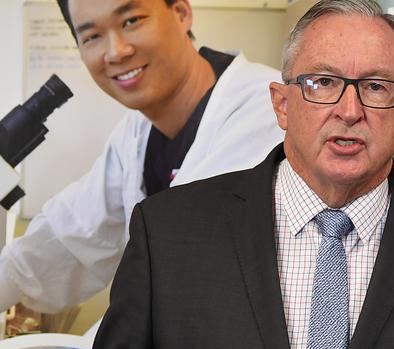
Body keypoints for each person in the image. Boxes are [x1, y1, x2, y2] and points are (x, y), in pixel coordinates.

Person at [89, 1, 394, 349]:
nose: (349, 111)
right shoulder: (167, 233)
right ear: (282, 105)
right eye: (323, 83)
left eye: (376, 87)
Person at [0, 0, 284, 313]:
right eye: (92, 36)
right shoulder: (136, 132)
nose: (116, 51)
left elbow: (192, 266)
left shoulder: (268, 111)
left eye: (131, 20)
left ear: (181, 13)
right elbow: (68, 236)